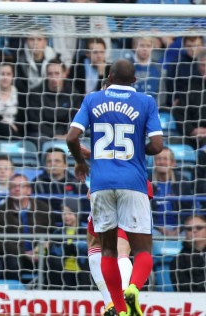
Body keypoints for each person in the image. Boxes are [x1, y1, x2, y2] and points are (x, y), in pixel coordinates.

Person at [67, 58, 164, 316]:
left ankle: (118, 308)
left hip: (100, 183)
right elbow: (157, 146)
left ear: (108, 76)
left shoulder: (92, 99)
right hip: (133, 182)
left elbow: (71, 137)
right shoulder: (146, 101)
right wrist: (135, 152)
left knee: (104, 247)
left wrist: (80, 162)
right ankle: (133, 288)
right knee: (141, 249)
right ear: (135, 80)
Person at [0, 174, 52, 282]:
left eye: (21, 186)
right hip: (16, 254)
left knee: (54, 262)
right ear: (9, 191)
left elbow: (52, 232)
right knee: (12, 262)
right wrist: (23, 253)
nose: (17, 189)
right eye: (13, 186)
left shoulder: (43, 208)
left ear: (29, 190)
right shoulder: (1, 211)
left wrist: (44, 247)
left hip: (40, 253)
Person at [172, 214, 206, 292]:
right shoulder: (179, 260)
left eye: (199, 227)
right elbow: (182, 289)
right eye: (189, 229)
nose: (194, 231)